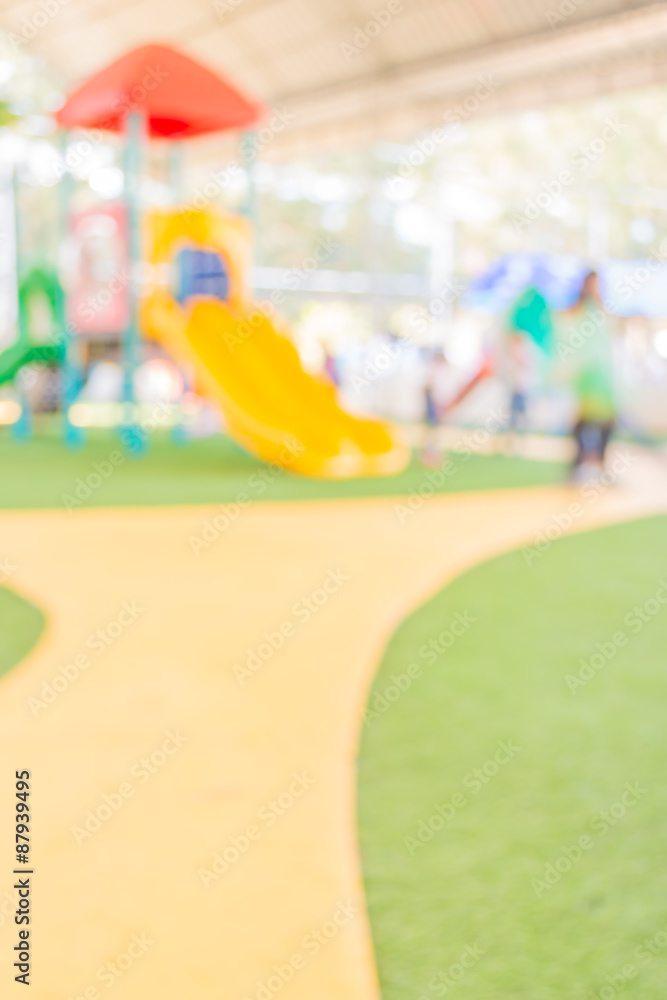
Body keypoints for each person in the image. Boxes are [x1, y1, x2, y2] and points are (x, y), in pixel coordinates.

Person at [557, 271, 616, 482]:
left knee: (607, 421)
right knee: (582, 420)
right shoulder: (576, 311)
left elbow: (608, 341)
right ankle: (578, 465)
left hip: (602, 377)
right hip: (583, 377)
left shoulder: (601, 311)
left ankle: (600, 465)